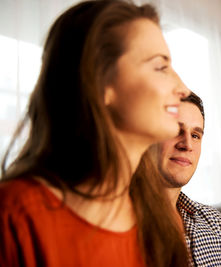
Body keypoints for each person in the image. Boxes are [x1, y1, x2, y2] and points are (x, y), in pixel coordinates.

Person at [0, 1, 190, 266]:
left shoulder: (161, 219)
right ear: (99, 80)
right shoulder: (14, 215)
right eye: (161, 67)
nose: (183, 88)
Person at [149, 92, 221, 266]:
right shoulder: (119, 225)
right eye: (175, 130)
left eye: (196, 135)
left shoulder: (214, 222)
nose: (187, 145)